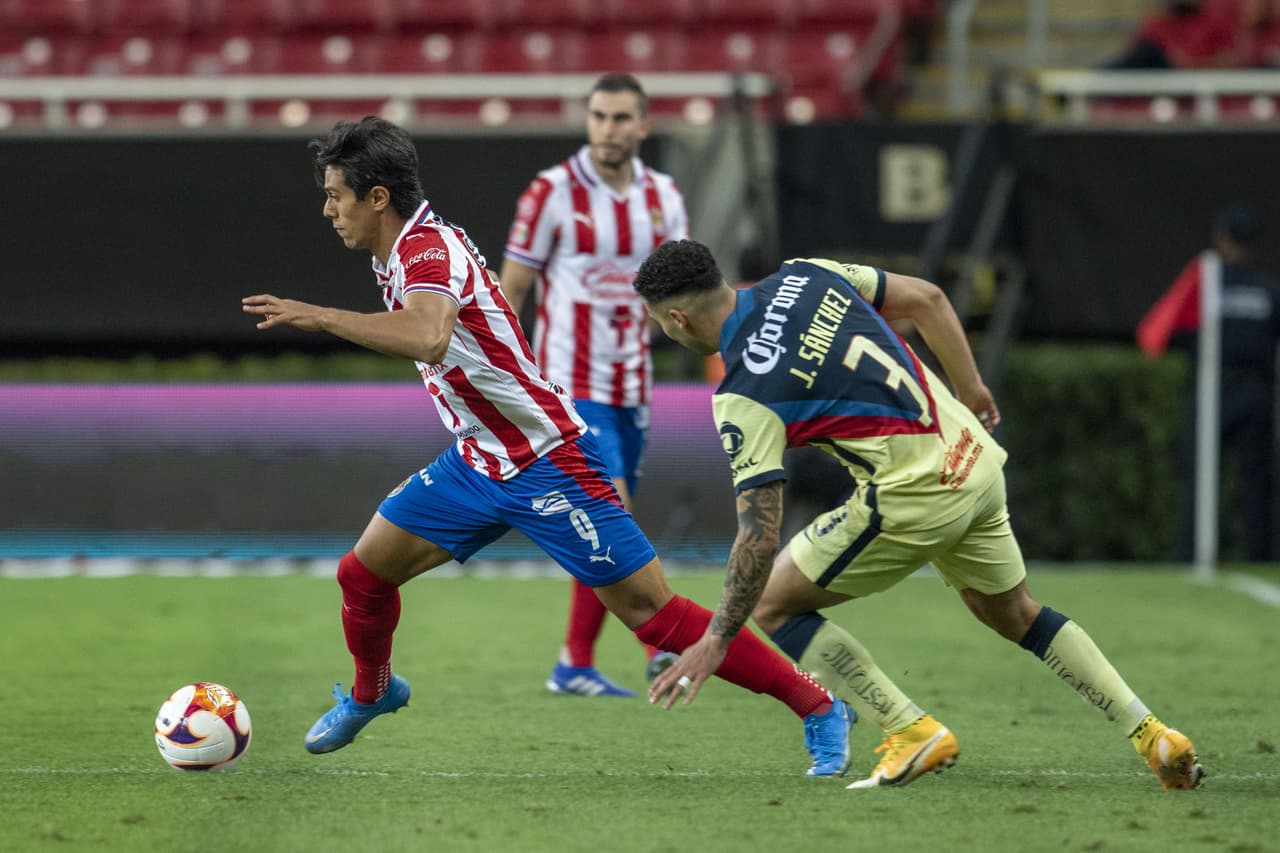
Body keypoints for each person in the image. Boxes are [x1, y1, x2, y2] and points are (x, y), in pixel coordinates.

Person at [240, 117, 854, 776]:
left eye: (337, 194)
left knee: (651, 613)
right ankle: (373, 691)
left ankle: (819, 706)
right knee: (361, 574)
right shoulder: (396, 251)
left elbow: (428, 336)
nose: (329, 209)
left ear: (379, 197)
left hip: (546, 459)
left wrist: (320, 315)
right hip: (479, 459)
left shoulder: (427, 251)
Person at [635, 239, 1204, 791]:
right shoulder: (805, 274)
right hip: (974, 459)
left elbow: (758, 536)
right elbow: (927, 298)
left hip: (914, 495)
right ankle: (1152, 734)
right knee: (1014, 613)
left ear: (679, 319)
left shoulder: (741, 394)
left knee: (773, 603)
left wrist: (716, 638)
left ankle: (909, 729)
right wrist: (972, 387)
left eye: (658, 322)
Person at [500, 73, 686, 697]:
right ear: (588, 121)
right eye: (599, 117)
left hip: (634, 383)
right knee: (613, 509)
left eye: (621, 118)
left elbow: (682, 288)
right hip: (570, 384)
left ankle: (573, 663)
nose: (609, 129)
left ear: (643, 125)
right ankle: (658, 647)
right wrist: (504, 374)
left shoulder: (664, 197)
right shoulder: (550, 192)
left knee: (601, 522)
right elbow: (513, 290)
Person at [1137, 201, 1280, 561]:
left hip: (1213, 392)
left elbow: (1167, 333)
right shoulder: (1267, 290)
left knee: (1201, 478)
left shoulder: (1207, 284)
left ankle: (1193, 555)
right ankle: (1259, 556)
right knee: (1257, 484)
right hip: (1257, 393)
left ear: (1221, 237)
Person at [1106, 0, 1242, 69]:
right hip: (1160, 94)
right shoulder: (1155, 25)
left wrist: (1189, 64)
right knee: (1148, 53)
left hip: (1204, 96)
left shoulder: (1215, 23)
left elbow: (1232, 60)